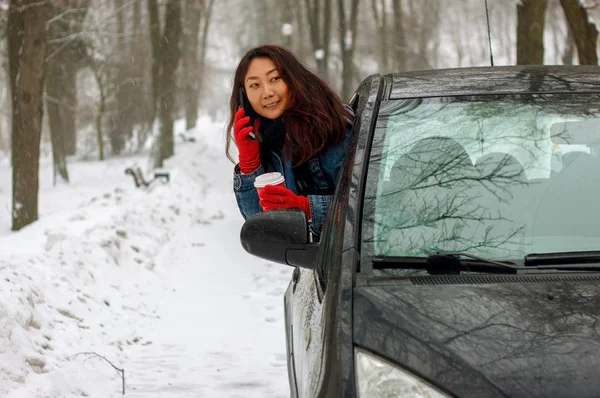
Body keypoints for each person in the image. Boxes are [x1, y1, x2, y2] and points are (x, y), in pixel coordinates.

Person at [226, 44, 354, 237]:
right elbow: (262, 226)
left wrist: (307, 208)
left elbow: (370, 207)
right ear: (244, 96)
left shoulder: (333, 127)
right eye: (255, 85)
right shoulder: (270, 134)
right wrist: (250, 163)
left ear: (293, 79)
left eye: (275, 78)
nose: (267, 92)